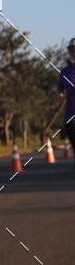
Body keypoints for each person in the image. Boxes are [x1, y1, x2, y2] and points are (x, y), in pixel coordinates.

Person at [58, 38, 75, 169]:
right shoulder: (65, 71)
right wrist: (63, 95)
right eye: (72, 50)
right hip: (71, 117)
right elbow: (61, 91)